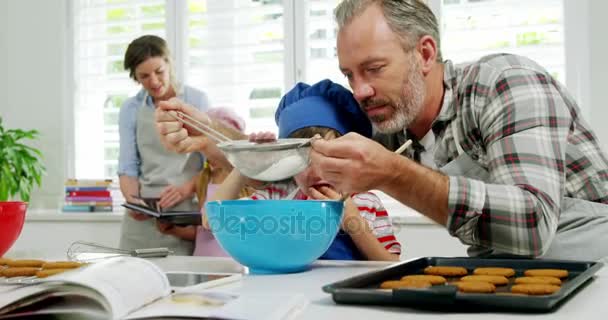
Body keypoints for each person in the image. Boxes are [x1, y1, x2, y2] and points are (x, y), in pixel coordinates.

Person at [308, 0, 608, 261]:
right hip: (502, 271)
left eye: (374, 68)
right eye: (349, 75)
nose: (360, 90)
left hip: (595, 271)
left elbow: (533, 225)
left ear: (425, 54)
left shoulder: (505, 83)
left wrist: (393, 173)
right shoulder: (392, 121)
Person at [209, 79, 402, 261]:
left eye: (330, 158)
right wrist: (248, 162)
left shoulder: (365, 202)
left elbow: (390, 263)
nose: (318, 172)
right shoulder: (278, 197)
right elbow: (212, 220)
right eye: (304, 160)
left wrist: (351, 217)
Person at [118, 35, 210, 255]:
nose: (154, 81)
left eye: (159, 71)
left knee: (182, 287)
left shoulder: (196, 100)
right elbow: (127, 166)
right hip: (142, 217)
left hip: (182, 214)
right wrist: (132, 199)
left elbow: (212, 163)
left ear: (169, 63)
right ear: (135, 77)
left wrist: (186, 189)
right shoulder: (131, 109)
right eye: (144, 76)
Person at [155, 107, 253, 256]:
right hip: (203, 262)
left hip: (232, 261)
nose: (210, 156)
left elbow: (251, 228)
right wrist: (175, 230)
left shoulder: (243, 179)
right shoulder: (203, 178)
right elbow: (203, 233)